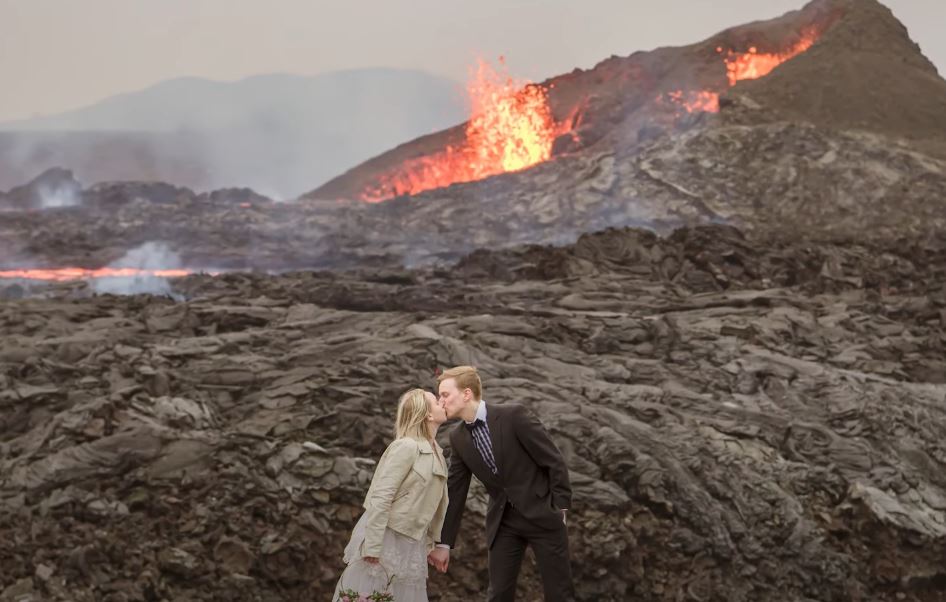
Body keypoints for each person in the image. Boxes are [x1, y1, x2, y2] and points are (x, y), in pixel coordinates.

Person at [427, 366, 575, 601]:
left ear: (466, 394)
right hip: (503, 523)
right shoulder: (457, 437)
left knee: (559, 593)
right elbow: (456, 491)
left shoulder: (514, 415)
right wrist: (443, 543)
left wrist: (561, 508)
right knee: (498, 595)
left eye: (445, 394)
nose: (440, 401)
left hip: (543, 515)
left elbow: (553, 460)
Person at [332, 389, 449, 602]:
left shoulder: (437, 453)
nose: (442, 402)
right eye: (436, 400)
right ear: (428, 415)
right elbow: (381, 496)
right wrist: (373, 546)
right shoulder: (406, 447)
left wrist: (432, 545)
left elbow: (435, 506)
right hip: (387, 539)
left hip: (413, 544)